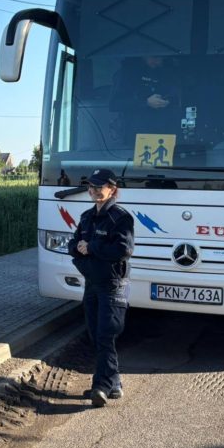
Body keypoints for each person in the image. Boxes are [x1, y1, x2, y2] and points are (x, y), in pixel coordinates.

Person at [67, 168, 134, 408]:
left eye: (99, 186)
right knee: (96, 336)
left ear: (112, 189)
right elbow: (73, 245)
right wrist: (79, 250)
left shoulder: (120, 217)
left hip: (113, 285)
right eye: (91, 186)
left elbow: (124, 250)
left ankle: (101, 387)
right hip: (92, 285)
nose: (93, 190)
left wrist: (92, 247)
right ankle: (114, 383)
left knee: (106, 335)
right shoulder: (86, 217)